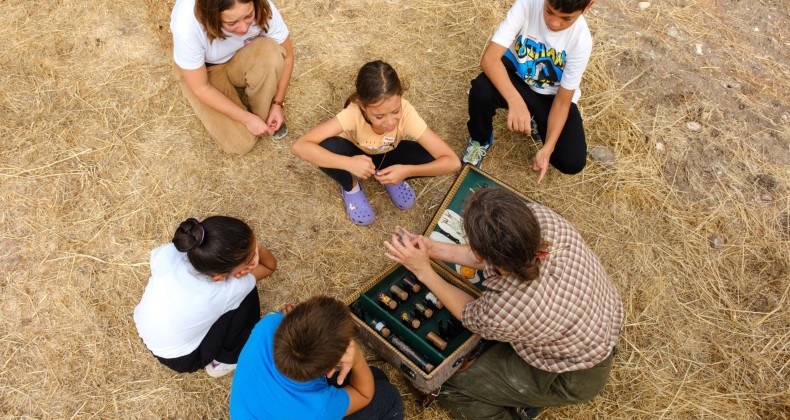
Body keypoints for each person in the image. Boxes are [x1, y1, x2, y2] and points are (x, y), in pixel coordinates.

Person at [384, 188, 622, 419]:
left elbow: (469, 313)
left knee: (451, 385)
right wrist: (432, 248)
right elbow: (496, 255)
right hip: (596, 324)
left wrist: (423, 270)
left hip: (573, 375)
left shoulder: (509, 308)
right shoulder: (543, 218)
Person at [291, 60, 461, 226]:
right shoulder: (352, 113)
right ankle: (351, 185)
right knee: (327, 147)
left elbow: (452, 162)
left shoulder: (407, 113)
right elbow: (300, 146)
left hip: (387, 152)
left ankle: (390, 174)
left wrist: (408, 170)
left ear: (400, 97)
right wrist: (348, 163)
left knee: (431, 155)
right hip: (354, 152)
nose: (389, 122)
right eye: (379, 116)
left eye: (395, 111)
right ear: (363, 107)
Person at [461, 0, 596, 184]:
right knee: (481, 91)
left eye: (566, 18)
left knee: (571, 160)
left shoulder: (582, 40)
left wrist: (547, 149)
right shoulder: (527, 4)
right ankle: (480, 139)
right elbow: (490, 60)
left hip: (550, 96)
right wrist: (516, 102)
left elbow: (563, 102)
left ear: (588, 7)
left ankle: (534, 121)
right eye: (549, 11)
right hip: (515, 76)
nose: (554, 23)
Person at [134, 216, 277, 377]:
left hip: (145, 328)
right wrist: (259, 248)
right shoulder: (226, 290)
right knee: (247, 294)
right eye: (250, 261)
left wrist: (248, 252)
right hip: (182, 358)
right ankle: (225, 361)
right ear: (218, 276)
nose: (252, 261)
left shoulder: (173, 250)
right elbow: (269, 266)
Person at [230, 296, 403, 419]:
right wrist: (356, 357)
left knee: (376, 375)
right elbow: (364, 394)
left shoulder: (268, 324)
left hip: (257, 408)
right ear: (330, 369)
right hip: (302, 412)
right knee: (388, 396)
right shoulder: (319, 409)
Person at [171, 0, 294, 154]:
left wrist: (277, 103)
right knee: (241, 144)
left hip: (242, 53)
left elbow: (288, 56)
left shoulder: (262, 5)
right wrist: (246, 119)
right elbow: (201, 87)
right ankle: (252, 118)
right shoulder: (187, 24)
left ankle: (263, 114)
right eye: (232, 22)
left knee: (270, 53)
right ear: (211, 16)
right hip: (206, 70)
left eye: (249, 16)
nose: (243, 28)